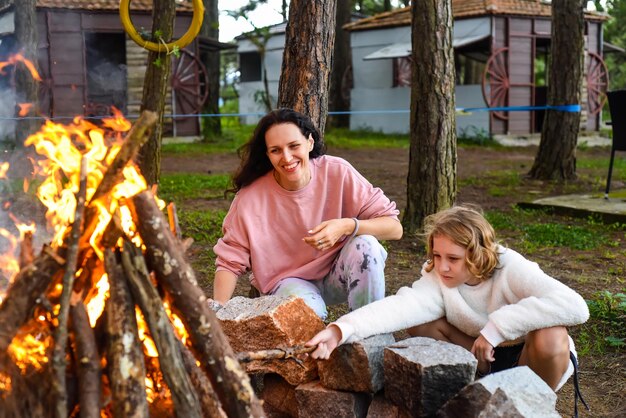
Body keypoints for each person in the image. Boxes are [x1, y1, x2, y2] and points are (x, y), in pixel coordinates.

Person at [307, 205, 589, 392]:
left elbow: (575, 305)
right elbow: (400, 307)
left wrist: (497, 329)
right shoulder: (438, 275)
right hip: (478, 355)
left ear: (477, 254)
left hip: (527, 355)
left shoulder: (511, 267)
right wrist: (340, 329)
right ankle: (472, 382)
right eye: (437, 256)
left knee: (551, 334)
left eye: (453, 258)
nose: (442, 266)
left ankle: (535, 403)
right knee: (421, 323)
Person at [212, 108, 403, 319]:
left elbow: (394, 228)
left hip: (337, 273)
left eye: (294, 146)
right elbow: (230, 260)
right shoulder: (250, 197)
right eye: (276, 150)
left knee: (367, 245)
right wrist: (218, 311)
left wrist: (347, 225)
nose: (286, 157)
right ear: (267, 154)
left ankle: (367, 335)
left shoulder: (338, 171)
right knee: (309, 314)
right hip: (288, 282)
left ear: (309, 143)